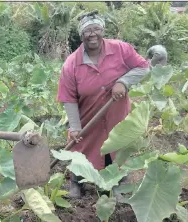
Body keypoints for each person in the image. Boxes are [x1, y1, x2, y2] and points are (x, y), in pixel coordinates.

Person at [57, 10, 167, 198]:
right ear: (81, 35)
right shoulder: (71, 64)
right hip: (89, 114)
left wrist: (123, 82)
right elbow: (68, 97)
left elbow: (143, 67)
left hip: (116, 112)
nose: (92, 34)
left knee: (116, 145)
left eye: (96, 29)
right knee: (80, 145)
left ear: (102, 30)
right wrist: (74, 126)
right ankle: (77, 184)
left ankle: (119, 183)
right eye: (87, 31)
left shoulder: (121, 49)